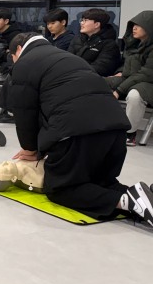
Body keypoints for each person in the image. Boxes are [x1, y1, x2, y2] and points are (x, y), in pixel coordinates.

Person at [8, 31, 152, 226]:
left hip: (78, 132)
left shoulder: (25, 64)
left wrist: (31, 148)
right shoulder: (67, 57)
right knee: (99, 183)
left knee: (62, 189)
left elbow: (25, 112)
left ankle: (125, 202)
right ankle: (142, 199)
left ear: (18, 50)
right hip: (116, 128)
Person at [105, 10, 153, 146]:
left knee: (135, 95)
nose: (134, 28)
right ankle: (94, 123)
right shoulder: (133, 45)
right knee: (99, 82)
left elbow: (146, 73)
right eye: (133, 25)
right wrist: (119, 72)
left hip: (148, 83)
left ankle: (129, 133)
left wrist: (119, 90)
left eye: (139, 25)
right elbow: (128, 65)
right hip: (130, 79)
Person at [68, 8, 122, 77]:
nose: (81, 23)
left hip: (92, 80)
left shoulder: (109, 45)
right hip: (71, 76)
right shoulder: (77, 39)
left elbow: (101, 68)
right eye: (82, 20)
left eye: (85, 20)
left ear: (97, 24)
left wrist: (76, 73)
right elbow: (68, 59)